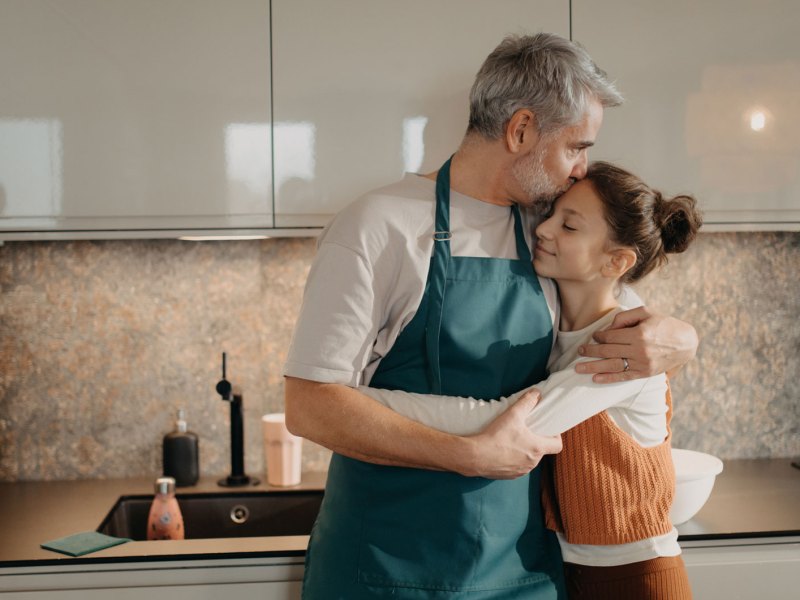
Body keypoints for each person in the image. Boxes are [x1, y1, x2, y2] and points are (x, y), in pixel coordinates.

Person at [284, 33, 699, 599]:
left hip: (522, 571)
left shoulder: (544, 233)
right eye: (576, 147)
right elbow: (310, 406)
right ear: (521, 130)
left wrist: (683, 338)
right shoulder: (377, 227)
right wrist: (466, 455)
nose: (582, 170)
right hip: (383, 568)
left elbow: (620, 310)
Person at [361, 161, 702, 599]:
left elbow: (509, 419)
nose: (543, 230)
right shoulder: (557, 323)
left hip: (637, 579)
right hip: (571, 571)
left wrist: (363, 402)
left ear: (616, 260)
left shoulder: (621, 351)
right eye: (552, 215)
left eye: (570, 226)